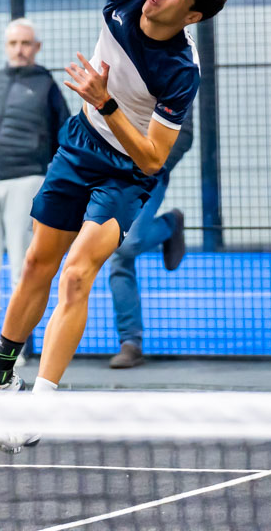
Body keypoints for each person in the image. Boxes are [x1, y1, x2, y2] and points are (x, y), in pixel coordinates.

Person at [0, 0, 227, 448]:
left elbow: (153, 157)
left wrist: (107, 102)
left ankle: (40, 406)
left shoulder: (181, 72)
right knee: (36, 263)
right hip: (78, 147)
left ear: (192, 14)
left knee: (77, 275)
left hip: (126, 174)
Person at [0, 18, 70, 370]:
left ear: (37, 47)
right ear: (5, 46)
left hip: (26, 181)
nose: (19, 50)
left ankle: (12, 349)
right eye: (13, 43)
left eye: (25, 43)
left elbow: (63, 135)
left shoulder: (47, 86)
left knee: (24, 269)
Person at [106, 104, 192, 369]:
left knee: (127, 244)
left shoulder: (173, 80)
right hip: (109, 175)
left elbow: (184, 133)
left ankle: (170, 224)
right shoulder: (109, 79)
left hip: (148, 174)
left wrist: (152, 164)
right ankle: (130, 344)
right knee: (118, 256)